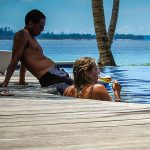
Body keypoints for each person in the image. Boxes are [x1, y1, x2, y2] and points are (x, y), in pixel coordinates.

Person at [1, 9, 73, 94]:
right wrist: (5, 84)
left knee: (82, 86)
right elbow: (15, 59)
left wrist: (22, 80)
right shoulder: (22, 34)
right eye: (40, 26)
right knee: (82, 88)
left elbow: (24, 59)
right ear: (30, 23)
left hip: (54, 73)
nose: (42, 30)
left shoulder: (30, 37)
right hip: (50, 75)